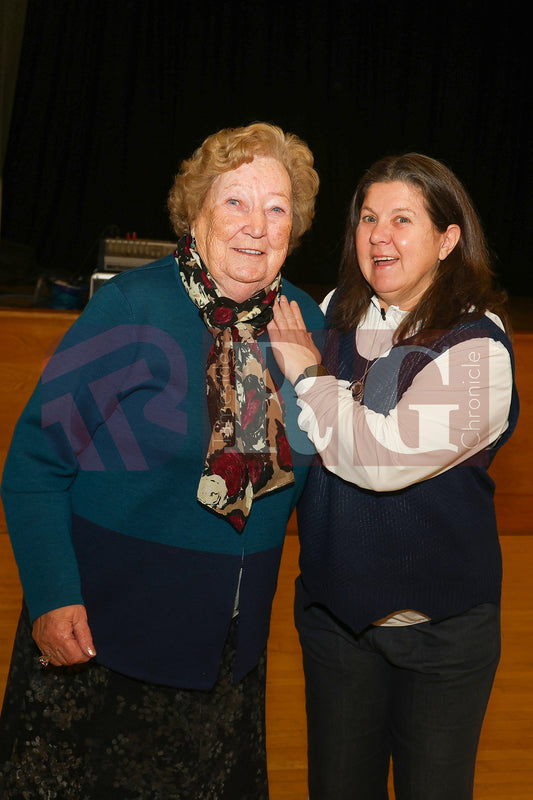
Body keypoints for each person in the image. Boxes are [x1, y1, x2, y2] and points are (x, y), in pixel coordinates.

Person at [0, 122, 323, 799]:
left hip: (229, 651)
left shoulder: (304, 325)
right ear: (196, 212)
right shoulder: (131, 308)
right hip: (105, 641)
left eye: (276, 208)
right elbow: (35, 463)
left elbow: (323, 472)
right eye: (234, 202)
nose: (256, 226)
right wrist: (53, 595)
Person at [267, 152, 519, 800]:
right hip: (335, 626)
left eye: (402, 219)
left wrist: (308, 376)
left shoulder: (476, 347)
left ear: (447, 239)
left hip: (441, 637)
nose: (379, 235)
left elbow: (380, 460)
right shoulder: (334, 311)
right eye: (368, 218)